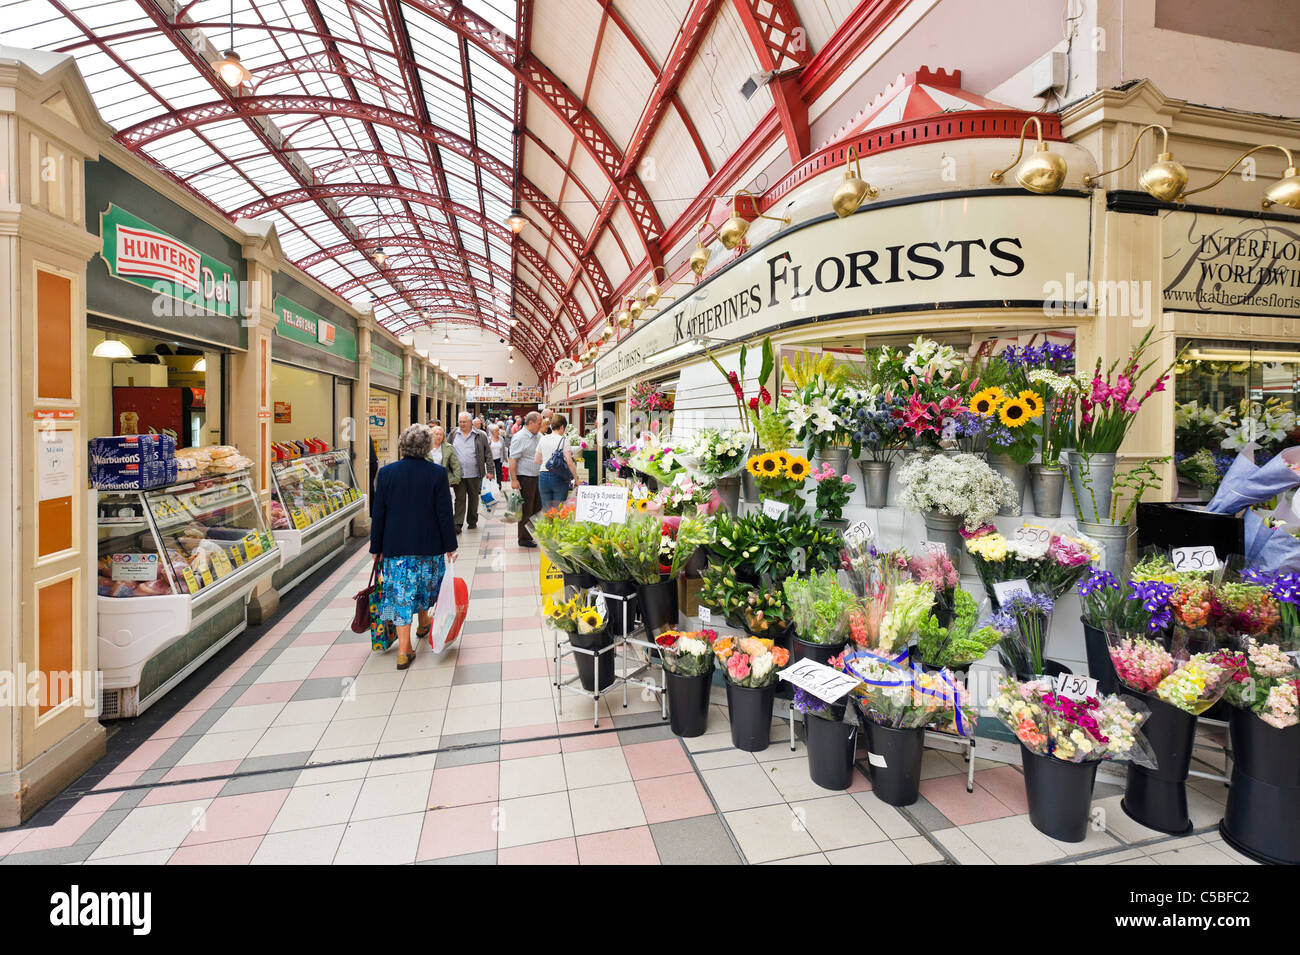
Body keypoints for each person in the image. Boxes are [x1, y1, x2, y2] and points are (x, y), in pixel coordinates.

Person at [370, 424, 457, 670]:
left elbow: (379, 514)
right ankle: (422, 623)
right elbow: (444, 514)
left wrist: (376, 546)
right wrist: (450, 545)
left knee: (401, 594)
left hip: (396, 546)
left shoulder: (387, 474)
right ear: (428, 446)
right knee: (424, 588)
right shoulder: (436, 474)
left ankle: (404, 650)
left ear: (402, 446)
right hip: (429, 545)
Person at [451, 411, 491, 532]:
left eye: (464, 422)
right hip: (458, 474)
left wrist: (490, 470)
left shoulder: (480, 435)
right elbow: (447, 450)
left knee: (474, 498)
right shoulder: (453, 434)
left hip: (474, 473)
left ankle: (472, 520)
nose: (462, 424)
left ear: (470, 422)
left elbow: (488, 454)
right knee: (460, 499)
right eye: (460, 422)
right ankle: (457, 523)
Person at [509, 411, 544, 548]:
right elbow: (513, 459)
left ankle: (532, 535)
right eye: (539, 423)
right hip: (525, 478)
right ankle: (523, 538)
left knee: (536, 508)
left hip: (537, 477)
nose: (541, 426)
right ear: (530, 423)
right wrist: (514, 480)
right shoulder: (519, 437)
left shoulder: (538, 436)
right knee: (526, 510)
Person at [536, 413, 580, 509]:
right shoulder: (564, 441)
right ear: (562, 427)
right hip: (559, 477)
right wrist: (576, 479)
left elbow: (537, 460)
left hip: (543, 476)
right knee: (558, 509)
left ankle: (546, 524)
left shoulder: (543, 439)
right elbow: (569, 462)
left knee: (546, 508)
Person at [428, 424, 461, 490]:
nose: (439, 436)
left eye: (441, 435)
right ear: (431, 435)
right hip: (428, 480)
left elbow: (455, 464)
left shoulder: (448, 447)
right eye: (436, 434)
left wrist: (456, 479)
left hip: (443, 480)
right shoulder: (425, 447)